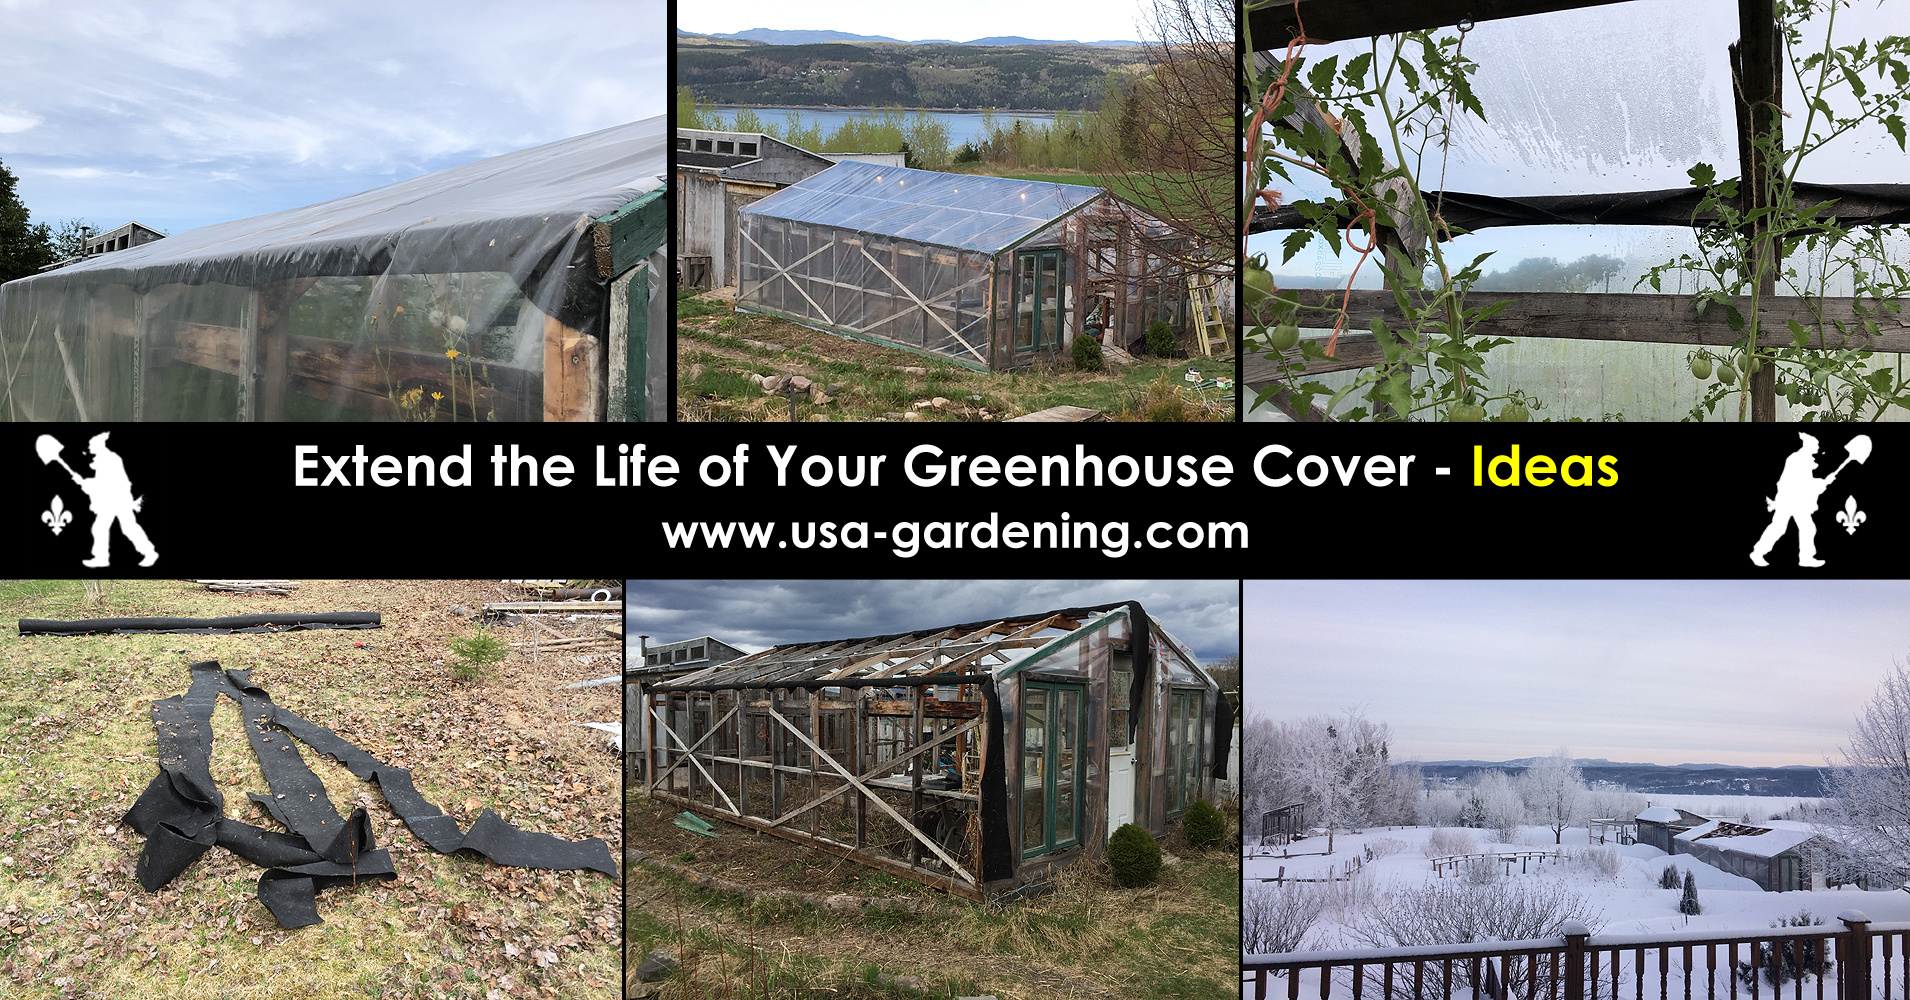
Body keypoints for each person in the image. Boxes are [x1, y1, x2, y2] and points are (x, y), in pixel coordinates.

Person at [76, 432, 158, 568]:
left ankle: (150, 553)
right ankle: (101, 558)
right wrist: (85, 482)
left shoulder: (110, 459)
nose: (89, 448)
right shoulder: (103, 459)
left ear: (99, 445)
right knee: (100, 527)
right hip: (111, 500)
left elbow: (106, 483)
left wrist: (86, 483)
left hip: (119, 499)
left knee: (128, 528)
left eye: (91, 445)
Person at [1750, 433, 1830, 568]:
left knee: (1807, 528)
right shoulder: (1797, 459)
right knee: (1779, 528)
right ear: (1808, 446)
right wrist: (1820, 483)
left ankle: (1806, 558)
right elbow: (1800, 483)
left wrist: (1821, 482)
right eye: (1816, 445)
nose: (1817, 448)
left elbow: (1805, 483)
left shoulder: (1804, 459)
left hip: (1796, 500)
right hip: (1788, 500)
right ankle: (1758, 553)